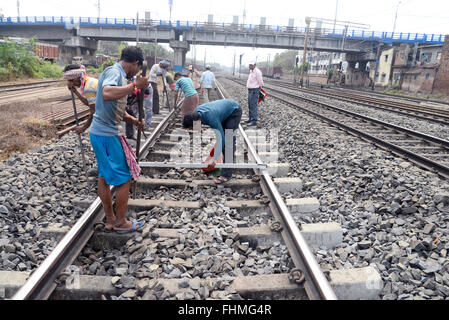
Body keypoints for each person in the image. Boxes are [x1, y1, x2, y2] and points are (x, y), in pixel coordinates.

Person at [89, 46, 148, 233]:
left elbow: (113, 107)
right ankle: (121, 223)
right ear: (136, 63)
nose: (136, 73)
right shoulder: (116, 72)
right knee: (124, 179)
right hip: (107, 134)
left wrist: (132, 120)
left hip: (99, 131)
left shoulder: (115, 73)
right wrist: (135, 87)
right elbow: (107, 94)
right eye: (137, 69)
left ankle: (110, 219)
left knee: (104, 177)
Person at [182, 99, 242, 184]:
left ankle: (226, 175)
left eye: (192, 127)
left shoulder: (211, 117)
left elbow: (221, 138)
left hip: (234, 111)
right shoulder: (195, 114)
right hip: (222, 111)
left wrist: (214, 159)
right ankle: (228, 164)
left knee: (228, 141)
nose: (193, 129)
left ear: (198, 121)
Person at [62, 64, 98, 134]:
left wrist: (83, 128)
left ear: (79, 77)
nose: (71, 83)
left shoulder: (89, 88)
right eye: (69, 81)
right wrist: (75, 91)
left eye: (71, 80)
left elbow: (93, 111)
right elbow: (89, 103)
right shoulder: (90, 81)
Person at [246, 62, 264, 126]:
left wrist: (260, 88)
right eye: (249, 65)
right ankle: (250, 118)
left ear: (254, 65)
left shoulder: (257, 72)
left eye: (251, 65)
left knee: (253, 105)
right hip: (250, 90)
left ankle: (254, 120)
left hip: (254, 90)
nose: (250, 66)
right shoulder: (251, 71)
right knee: (250, 104)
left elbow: (260, 81)